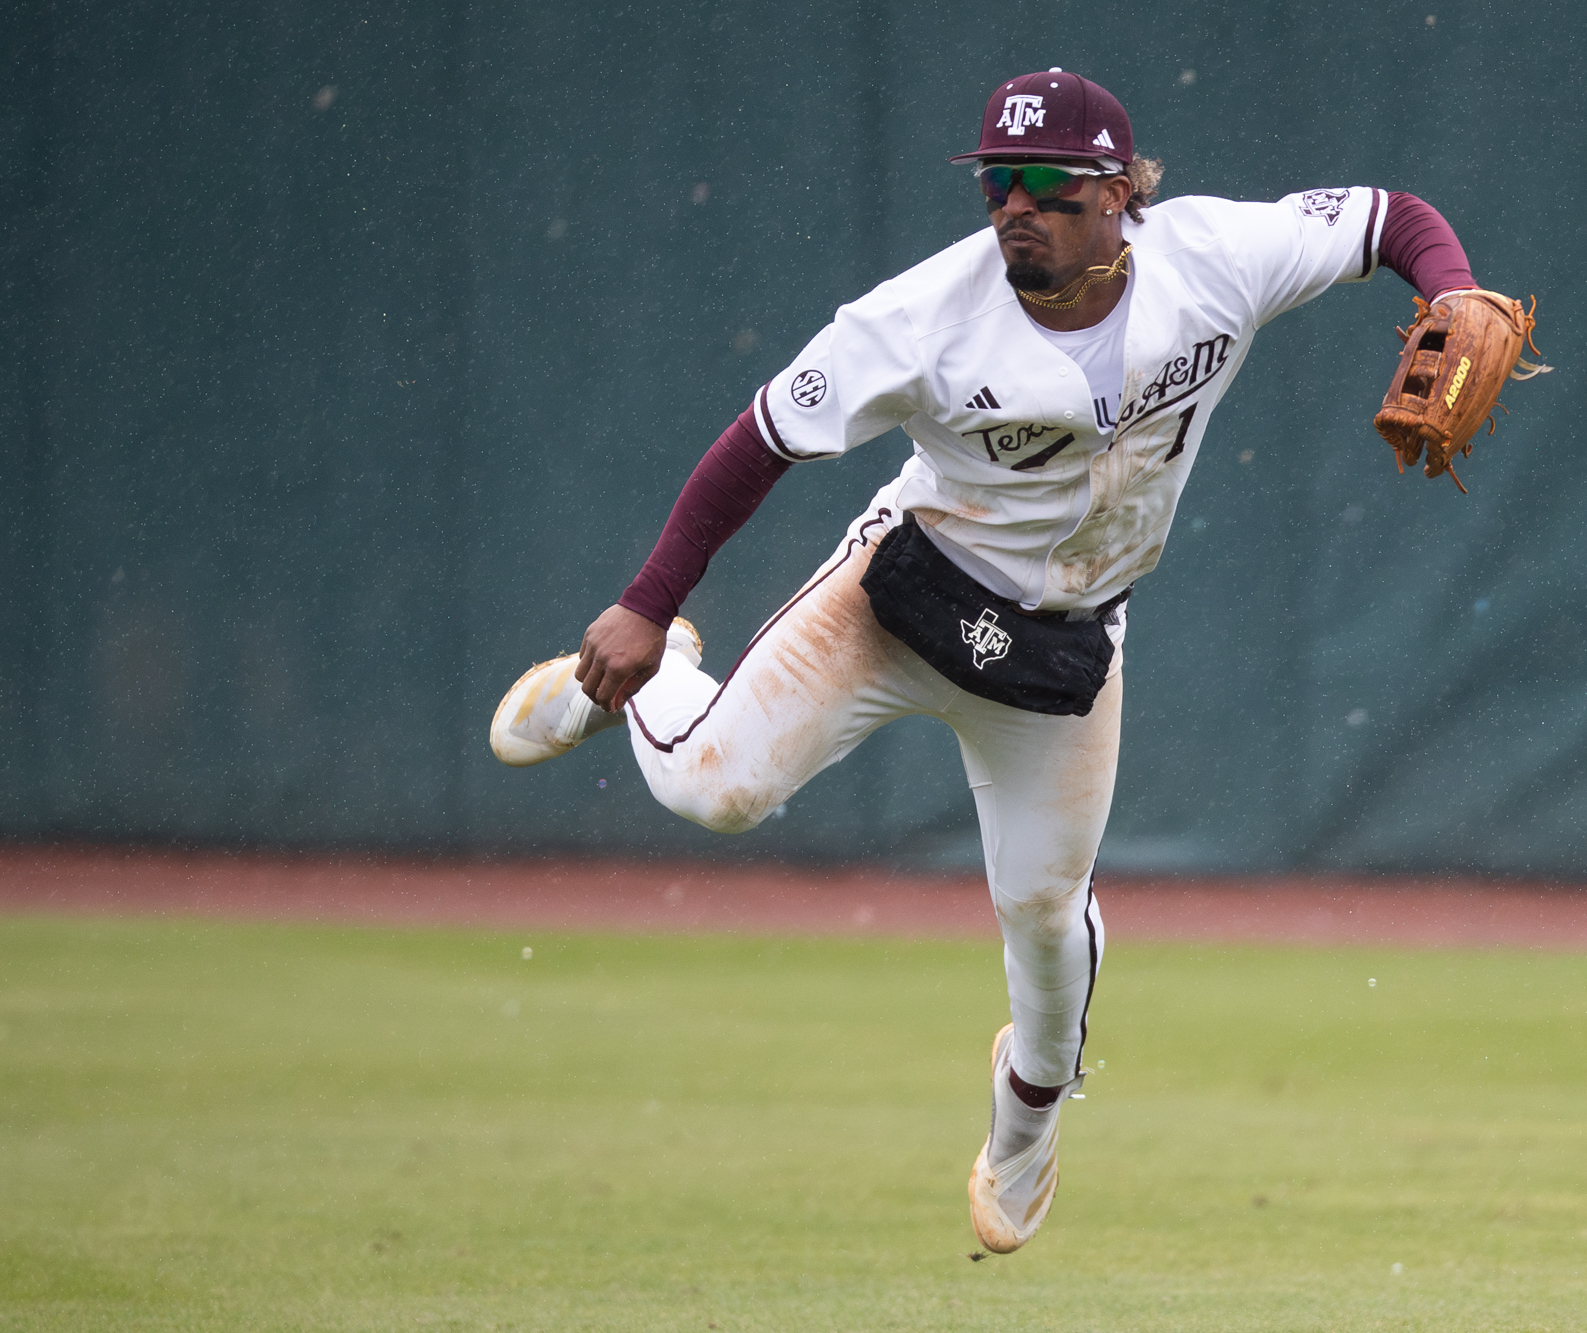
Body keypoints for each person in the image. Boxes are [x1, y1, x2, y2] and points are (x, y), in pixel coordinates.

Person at [489, 68, 1485, 1255]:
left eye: (1045, 186)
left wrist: (1455, 287)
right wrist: (649, 603)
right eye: (994, 183)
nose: (1012, 205)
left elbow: (1388, 219)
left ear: (1118, 192)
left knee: (1044, 921)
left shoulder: (1215, 256)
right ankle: (653, 676)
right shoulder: (920, 319)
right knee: (716, 789)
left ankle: (1023, 1129)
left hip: (1061, 651)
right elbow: (757, 440)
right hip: (901, 600)